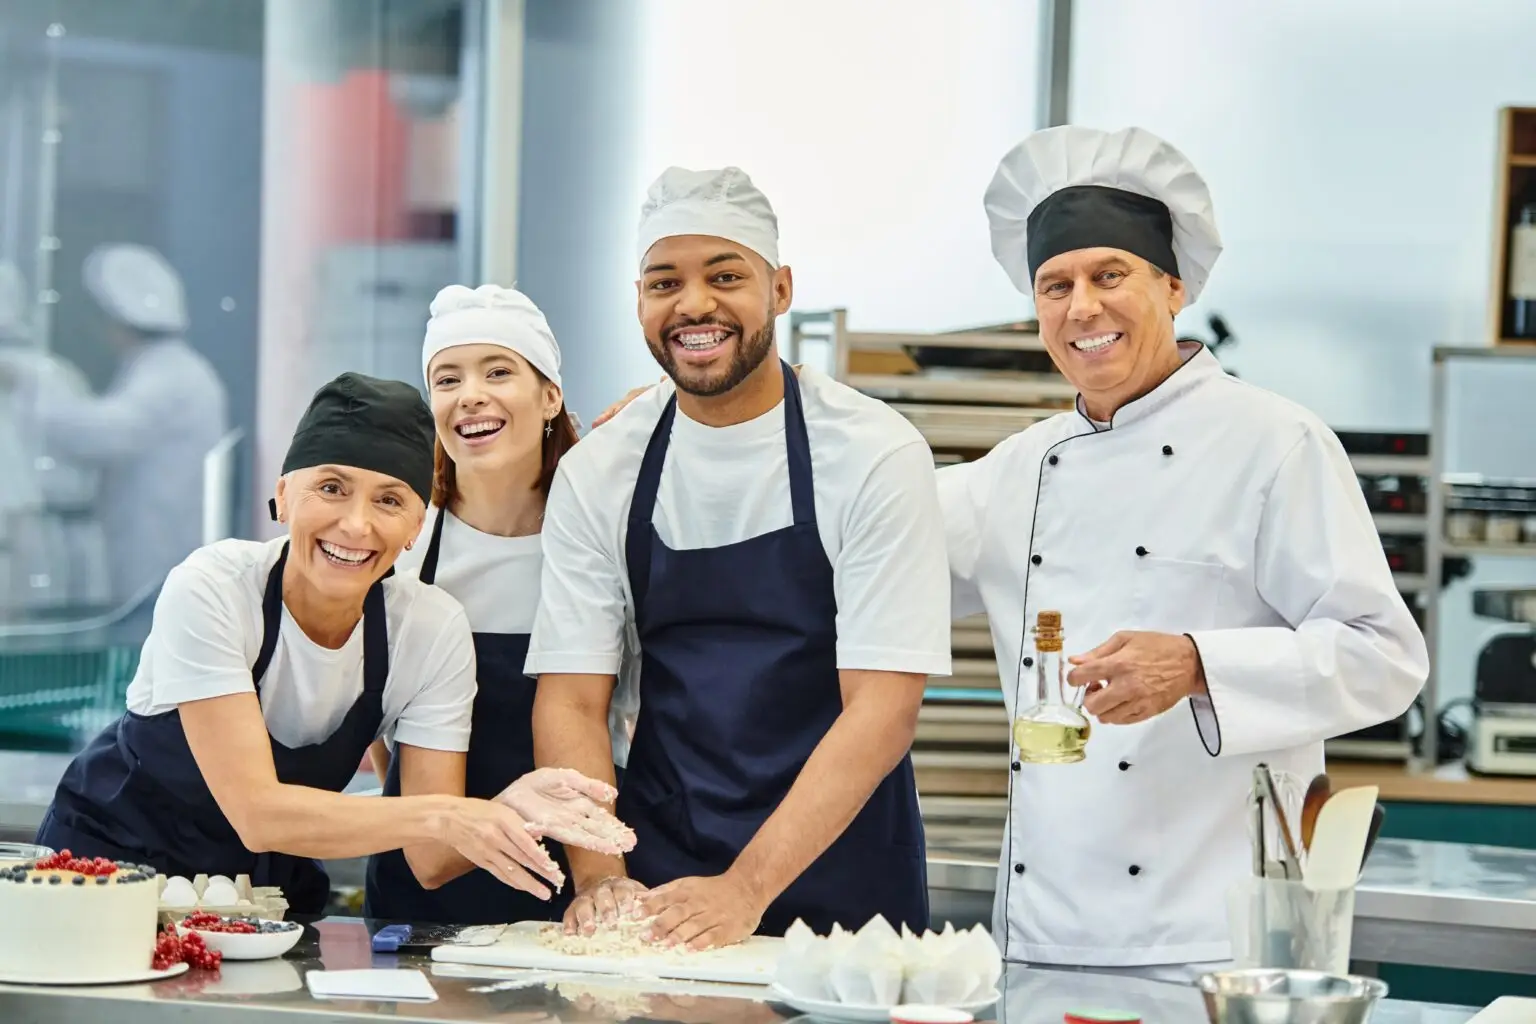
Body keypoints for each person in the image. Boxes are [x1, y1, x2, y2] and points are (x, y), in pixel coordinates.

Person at [940, 125, 1428, 980]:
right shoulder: (1013, 472)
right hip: (1040, 932)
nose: (1081, 307)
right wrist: (689, 423)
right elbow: (853, 542)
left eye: (1109, 275)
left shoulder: (1277, 444)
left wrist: (1200, 664)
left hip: (1218, 938)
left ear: (1172, 287)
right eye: (1055, 285)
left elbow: (1385, 657)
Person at [528, 166, 953, 949]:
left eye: (726, 276)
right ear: (640, 300)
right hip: (659, 866)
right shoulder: (603, 469)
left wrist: (747, 889)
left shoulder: (871, 453)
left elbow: (883, 707)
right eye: (665, 282)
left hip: (843, 881)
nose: (694, 304)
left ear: (781, 288)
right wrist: (601, 880)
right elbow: (571, 701)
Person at [36, 371, 634, 914]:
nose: (355, 524)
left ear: (413, 530)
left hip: (259, 898)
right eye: (331, 488)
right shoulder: (214, 587)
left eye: (390, 500)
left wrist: (513, 807)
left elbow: (428, 861)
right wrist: (455, 813)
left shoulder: (427, 629)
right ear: (284, 494)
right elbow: (259, 814)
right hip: (107, 874)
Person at [364, 284, 638, 924]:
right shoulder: (404, 544)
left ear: (550, 396)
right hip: (426, 886)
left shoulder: (607, 538)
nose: (470, 395)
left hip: (580, 875)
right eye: (447, 379)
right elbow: (379, 724)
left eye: (498, 371)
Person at [25, 244, 229, 617]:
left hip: (158, 559)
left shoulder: (170, 375)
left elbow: (104, 434)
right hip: (153, 559)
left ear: (116, 322)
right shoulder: (163, 368)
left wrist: (32, 391)